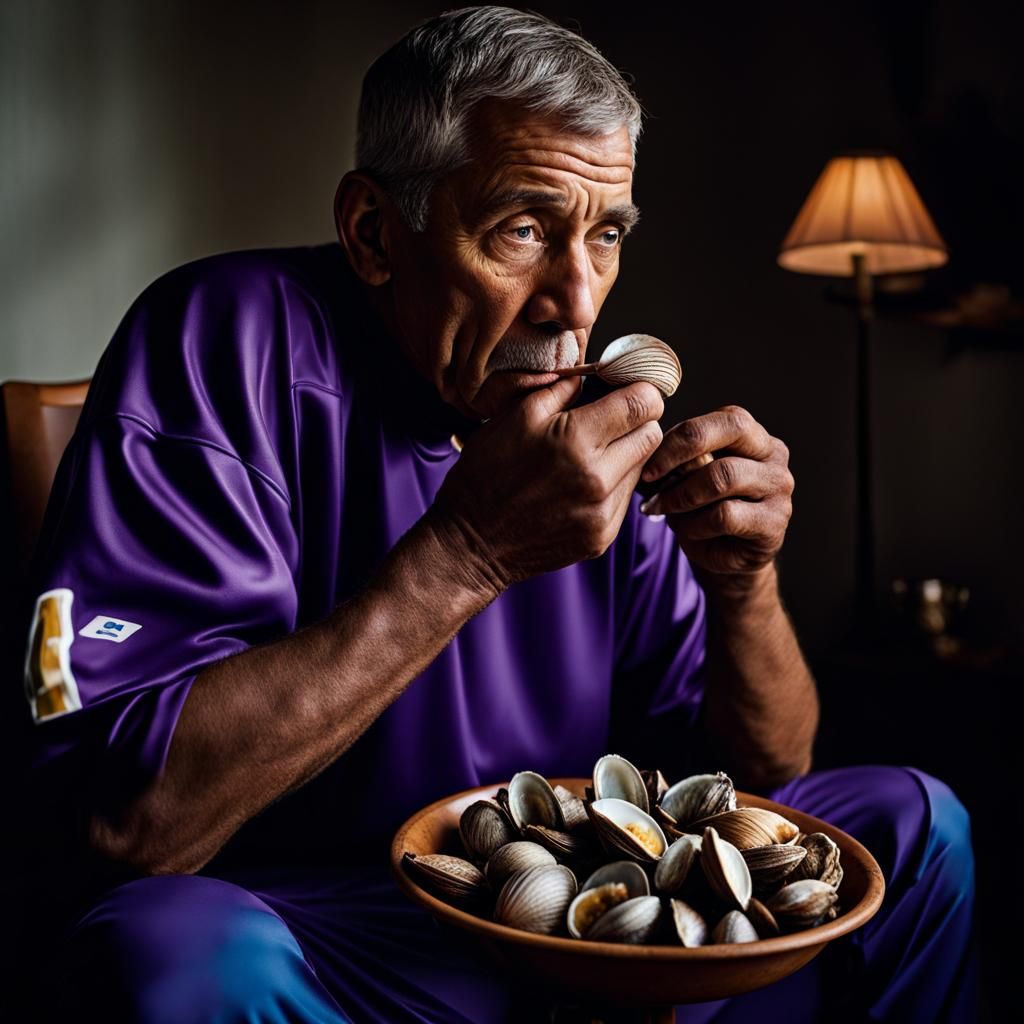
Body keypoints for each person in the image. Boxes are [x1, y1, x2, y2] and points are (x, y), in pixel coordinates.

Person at [15, 6, 976, 1022]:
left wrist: (745, 586)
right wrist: (467, 552)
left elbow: (764, 782)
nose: (575, 299)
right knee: (170, 953)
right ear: (374, 234)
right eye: (521, 228)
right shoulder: (227, 342)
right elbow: (132, 826)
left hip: (574, 926)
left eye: (603, 235)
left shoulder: (589, 427)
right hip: (334, 935)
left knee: (918, 824)